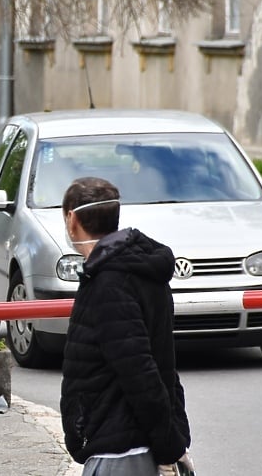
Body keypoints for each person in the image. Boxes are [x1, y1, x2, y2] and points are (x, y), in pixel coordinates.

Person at [58, 177, 195, 476]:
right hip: (131, 441)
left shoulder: (110, 282)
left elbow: (139, 372)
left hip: (121, 449)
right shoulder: (138, 268)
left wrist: (169, 446)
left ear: (72, 219)